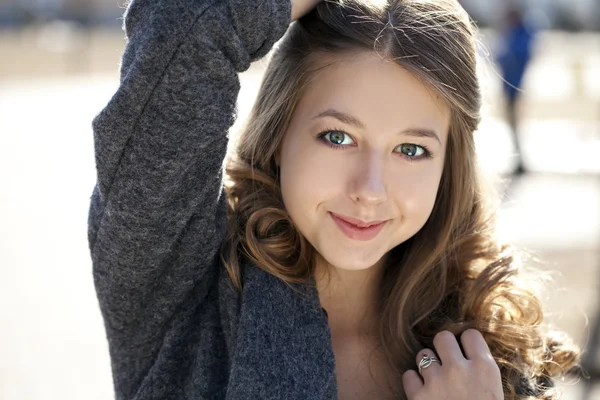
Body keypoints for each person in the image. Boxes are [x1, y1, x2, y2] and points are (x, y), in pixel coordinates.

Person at [88, 0, 579, 399]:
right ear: (279, 133)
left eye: (411, 150)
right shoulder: (179, 287)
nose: (369, 189)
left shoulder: (488, 359)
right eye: (338, 137)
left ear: (447, 166)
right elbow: (188, 26)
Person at [496, 6, 536, 175]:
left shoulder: (520, 36)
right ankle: (518, 160)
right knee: (513, 126)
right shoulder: (516, 34)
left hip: (515, 86)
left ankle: (520, 161)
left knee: (516, 125)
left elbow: (509, 57)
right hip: (511, 86)